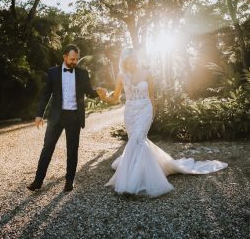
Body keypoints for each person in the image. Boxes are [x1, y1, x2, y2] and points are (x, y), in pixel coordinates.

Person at [100, 47, 228, 197]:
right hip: (130, 113)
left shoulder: (146, 73)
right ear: (124, 62)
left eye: (132, 61)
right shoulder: (121, 76)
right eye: (127, 62)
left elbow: (152, 96)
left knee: (139, 139)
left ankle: (132, 185)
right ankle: (140, 173)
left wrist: (152, 114)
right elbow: (115, 98)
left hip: (145, 110)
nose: (130, 64)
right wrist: (104, 97)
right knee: (135, 141)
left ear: (136, 59)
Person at [27, 44, 106, 192]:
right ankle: (38, 181)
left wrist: (98, 92)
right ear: (64, 57)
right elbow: (45, 94)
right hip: (56, 116)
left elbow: (89, 92)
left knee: (72, 150)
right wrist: (39, 114)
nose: (74, 62)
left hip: (74, 116)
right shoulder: (53, 73)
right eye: (72, 59)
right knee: (47, 149)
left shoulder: (83, 73)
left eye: (76, 59)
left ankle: (69, 181)